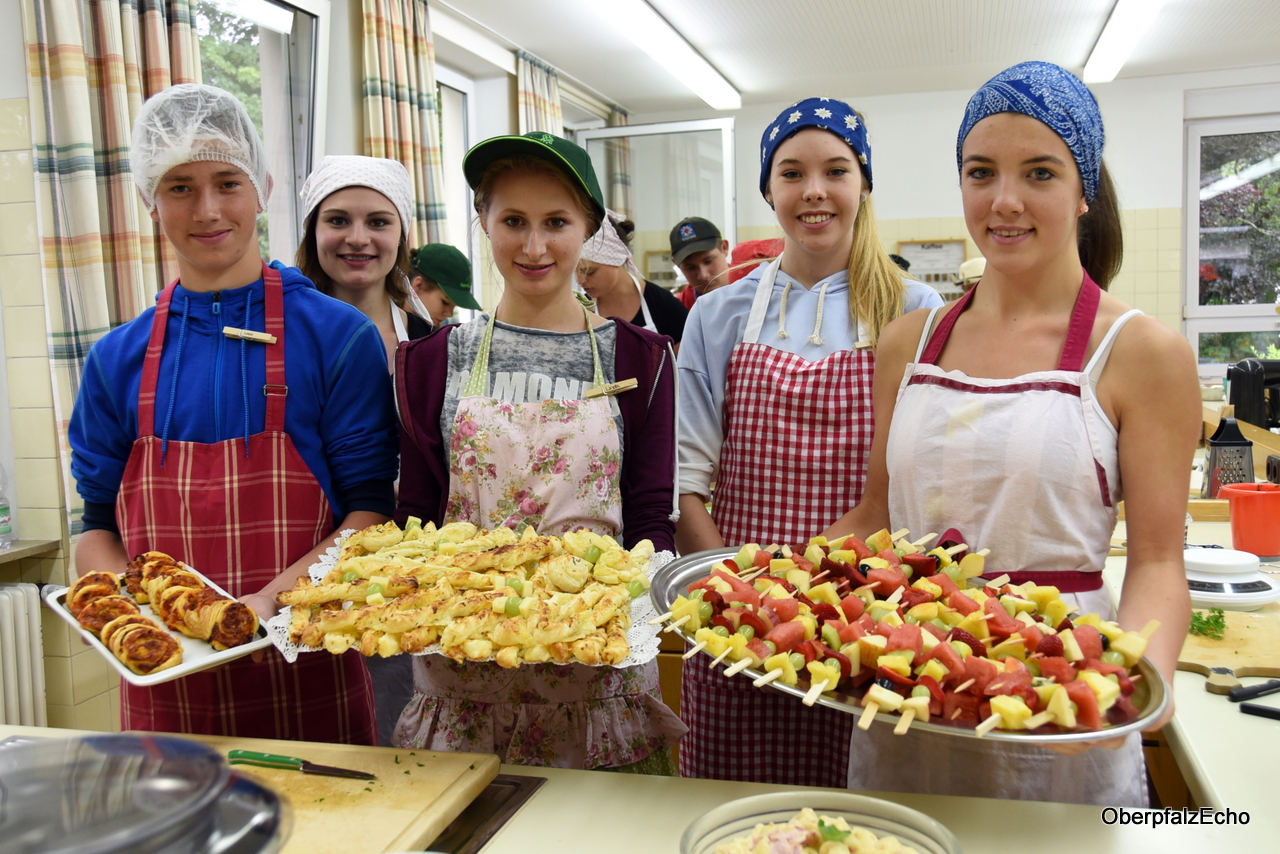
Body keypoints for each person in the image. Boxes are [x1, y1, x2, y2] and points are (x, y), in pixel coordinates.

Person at [824, 62, 1198, 806]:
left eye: (1039, 173)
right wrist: (766, 585)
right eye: (980, 171)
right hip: (912, 687)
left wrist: (1135, 680)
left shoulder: (1140, 353)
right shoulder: (909, 342)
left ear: (1084, 190)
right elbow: (875, 519)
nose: (1004, 201)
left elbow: (1158, 558)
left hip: (1057, 699)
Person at [68, 84, 398, 743]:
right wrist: (133, 617)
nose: (208, 209)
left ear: (262, 188)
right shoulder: (115, 359)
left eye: (227, 182)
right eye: (180, 187)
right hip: (168, 691)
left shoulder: (336, 337)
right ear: (149, 199)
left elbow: (370, 515)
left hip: (309, 676)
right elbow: (97, 524)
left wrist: (265, 605)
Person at [392, 131, 687, 772]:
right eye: (513, 221)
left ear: (590, 229)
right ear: (483, 222)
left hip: (596, 682)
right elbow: (414, 523)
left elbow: (648, 516)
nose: (533, 246)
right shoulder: (431, 361)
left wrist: (638, 617)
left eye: (556, 222)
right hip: (462, 679)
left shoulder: (641, 359)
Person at [675, 98, 944, 786]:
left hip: (867, 614)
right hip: (737, 610)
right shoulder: (718, 312)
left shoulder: (916, 310)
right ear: (769, 190)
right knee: (736, 809)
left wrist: (831, 601)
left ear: (864, 184)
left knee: (858, 809)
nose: (814, 191)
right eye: (792, 173)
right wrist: (731, 593)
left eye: (836, 170)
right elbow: (688, 472)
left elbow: (923, 478)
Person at [298, 155, 434, 359]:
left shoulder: (429, 345)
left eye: (378, 222)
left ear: (401, 236)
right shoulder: (282, 336)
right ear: (313, 233)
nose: (358, 239)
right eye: (338, 220)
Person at [577, 209, 688, 343]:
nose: (580, 280)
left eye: (590, 272)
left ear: (616, 259)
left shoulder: (664, 306)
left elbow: (683, 361)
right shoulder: (580, 310)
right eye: (575, 271)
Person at [408, 243, 483, 327]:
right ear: (418, 285)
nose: (449, 314)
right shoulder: (392, 328)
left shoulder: (437, 337)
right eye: (445, 302)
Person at [671, 216, 731, 308]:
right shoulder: (678, 311)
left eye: (708, 261)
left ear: (724, 248)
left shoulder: (754, 290)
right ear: (676, 264)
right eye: (691, 268)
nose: (703, 275)